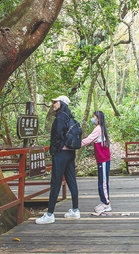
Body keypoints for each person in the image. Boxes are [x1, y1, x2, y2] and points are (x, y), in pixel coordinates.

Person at [36, 95, 81, 224]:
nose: (54, 104)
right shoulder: (70, 117)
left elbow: (56, 135)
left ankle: (50, 214)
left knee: (55, 182)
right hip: (70, 153)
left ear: (61, 103)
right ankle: (75, 210)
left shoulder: (60, 118)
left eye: (55, 102)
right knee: (72, 181)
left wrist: (54, 151)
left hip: (61, 154)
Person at [81, 110, 112, 213]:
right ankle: (103, 201)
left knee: (102, 182)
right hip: (102, 159)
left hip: (103, 159)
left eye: (93, 117)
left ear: (98, 118)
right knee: (102, 181)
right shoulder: (101, 128)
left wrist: (76, 144)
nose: (92, 119)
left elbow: (88, 140)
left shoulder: (98, 129)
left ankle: (106, 204)